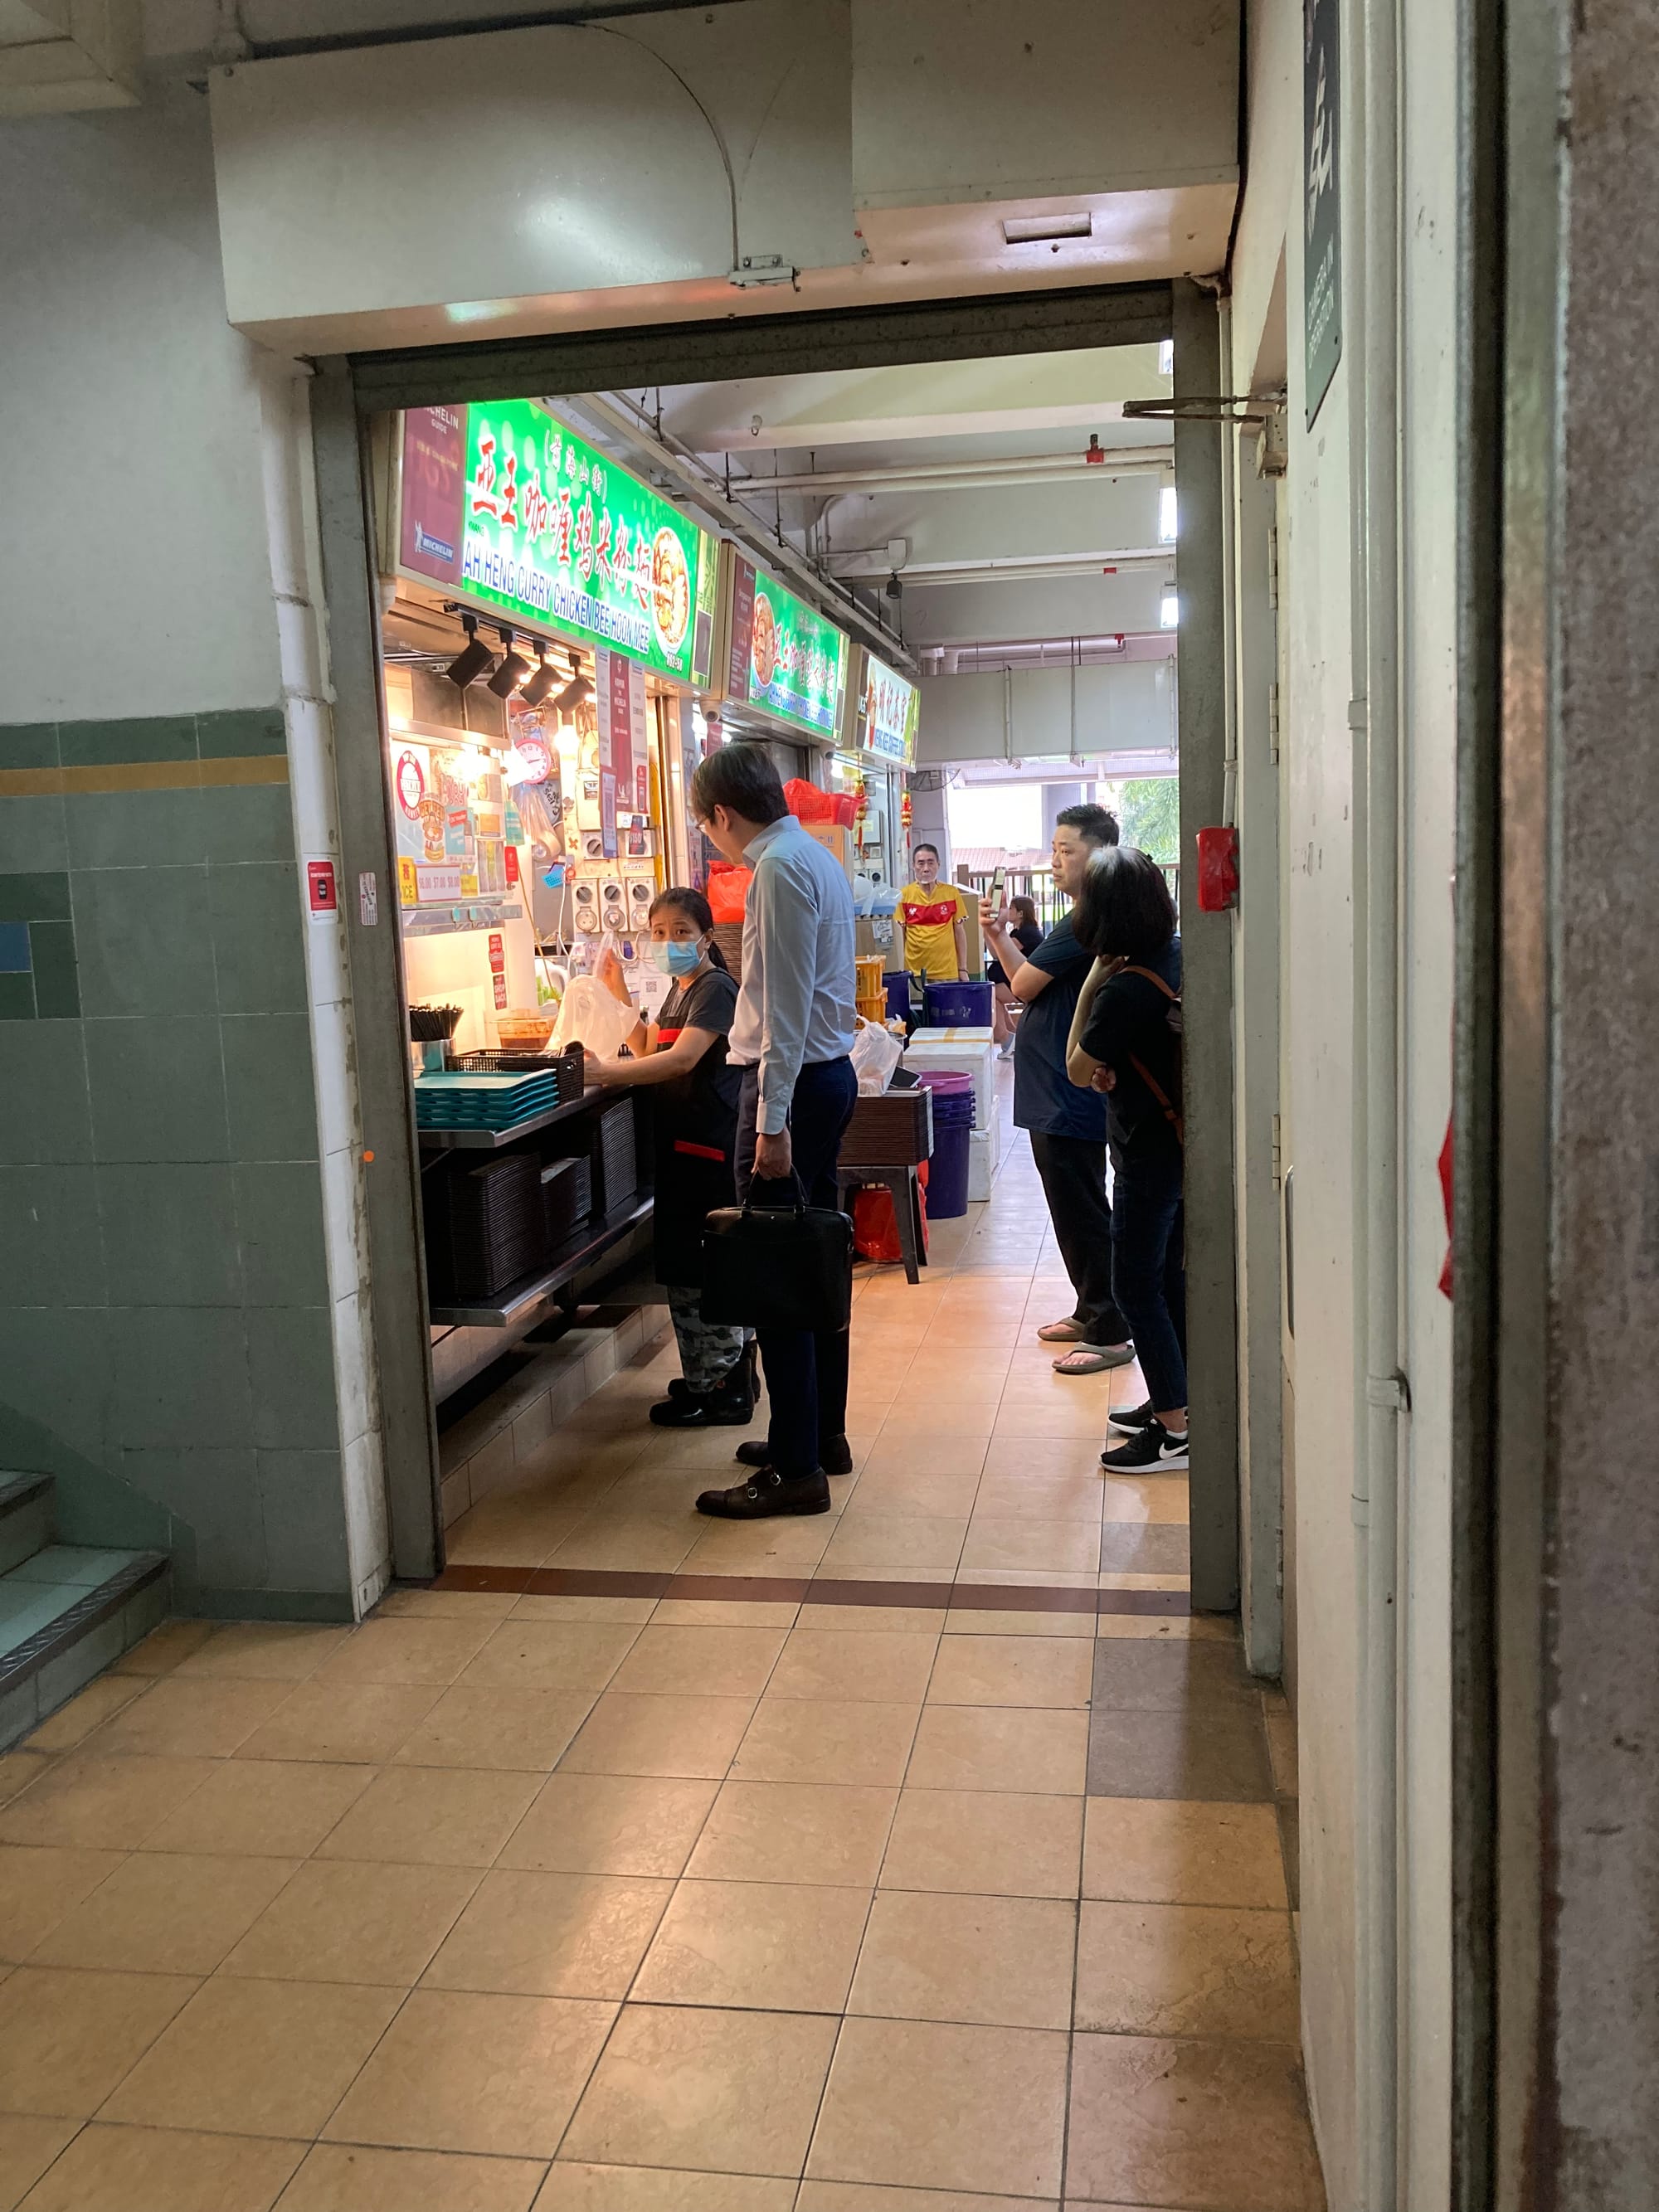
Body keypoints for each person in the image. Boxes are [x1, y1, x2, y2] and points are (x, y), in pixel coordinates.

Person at [687, 742, 858, 1519]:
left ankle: (796, 1468)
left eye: (706, 827)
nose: (712, 841)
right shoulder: (807, 855)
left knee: (780, 1275)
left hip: (791, 1085)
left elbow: (783, 1007)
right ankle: (818, 1435)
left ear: (722, 814)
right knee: (812, 1264)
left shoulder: (778, 869)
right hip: (820, 1077)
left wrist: (773, 1120)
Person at [586, 887, 755, 1430]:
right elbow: (650, 1050)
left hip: (709, 1152)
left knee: (712, 1270)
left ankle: (727, 1389)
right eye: (658, 932)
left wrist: (604, 1074)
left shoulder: (715, 989)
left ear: (706, 937)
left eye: (680, 932)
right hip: (684, 1152)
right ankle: (707, 1379)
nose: (668, 942)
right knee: (686, 1271)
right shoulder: (679, 992)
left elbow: (681, 1061)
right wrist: (616, 993)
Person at [980, 803, 1134, 1376]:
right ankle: (1089, 1305)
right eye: (1053, 850)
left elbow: (1020, 982)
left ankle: (1110, 1326)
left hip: (1068, 1094)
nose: (1054, 862)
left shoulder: (1084, 919)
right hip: (1052, 1088)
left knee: (1083, 1206)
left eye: (1065, 851)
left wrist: (998, 941)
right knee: (1071, 1204)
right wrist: (998, 935)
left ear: (1099, 854)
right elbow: (1029, 983)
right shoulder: (1080, 916)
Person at [1065, 846, 1188, 1472]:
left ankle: (1174, 1432)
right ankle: (1180, 1402)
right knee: (1166, 1278)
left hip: (1146, 1152)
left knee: (1134, 1283)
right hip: (1177, 1146)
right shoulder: (1175, 956)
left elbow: (1077, 1067)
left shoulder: (1122, 990)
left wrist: (1090, 985)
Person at [898, 843, 971, 984]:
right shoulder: (903, 895)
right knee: (916, 1006)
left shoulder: (952, 893)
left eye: (931, 863)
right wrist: (900, 969)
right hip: (914, 974)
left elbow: (959, 932)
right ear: (913, 866)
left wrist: (963, 969)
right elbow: (900, 934)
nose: (926, 868)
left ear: (938, 864)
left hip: (947, 973)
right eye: (921, 863)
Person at [989, 893, 1043, 1057]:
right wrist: (988, 929)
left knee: (991, 996)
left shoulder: (1027, 933)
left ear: (1021, 913)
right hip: (1016, 981)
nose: (1008, 911)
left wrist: (992, 929)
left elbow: (1000, 954)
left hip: (1028, 984)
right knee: (994, 996)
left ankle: (1005, 1037)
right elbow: (994, 951)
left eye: (1011, 908)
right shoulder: (1016, 933)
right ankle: (1013, 1038)